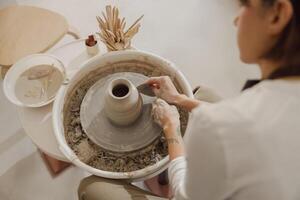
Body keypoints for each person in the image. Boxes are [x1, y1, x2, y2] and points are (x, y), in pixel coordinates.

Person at [78, 0, 300, 199]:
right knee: (203, 93)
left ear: (277, 14)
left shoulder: (222, 125)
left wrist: (171, 129)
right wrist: (179, 99)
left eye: (244, 5)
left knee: (91, 187)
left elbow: (184, 196)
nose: (235, 19)